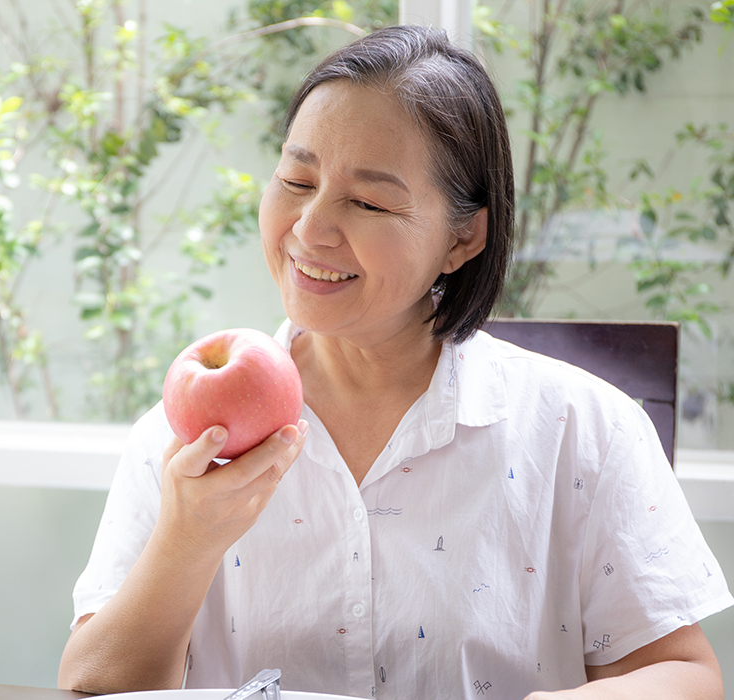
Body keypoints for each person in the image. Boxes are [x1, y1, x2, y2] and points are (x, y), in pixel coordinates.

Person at [58, 25, 732, 700]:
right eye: (296, 179)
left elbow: (688, 679)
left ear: (463, 237)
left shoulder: (583, 430)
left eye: (369, 201)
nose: (310, 227)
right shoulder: (186, 440)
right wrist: (187, 538)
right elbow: (92, 685)